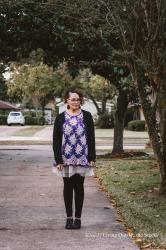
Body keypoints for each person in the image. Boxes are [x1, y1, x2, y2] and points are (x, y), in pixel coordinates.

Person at [52, 89, 96, 230]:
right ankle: (68, 218)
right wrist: (58, 160)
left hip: (81, 157)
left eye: (78, 99)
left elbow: (91, 137)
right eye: (73, 99)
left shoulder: (87, 116)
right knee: (67, 187)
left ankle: (78, 219)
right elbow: (56, 140)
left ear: (80, 101)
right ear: (67, 101)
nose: (75, 102)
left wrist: (92, 157)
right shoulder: (60, 117)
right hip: (66, 158)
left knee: (79, 187)